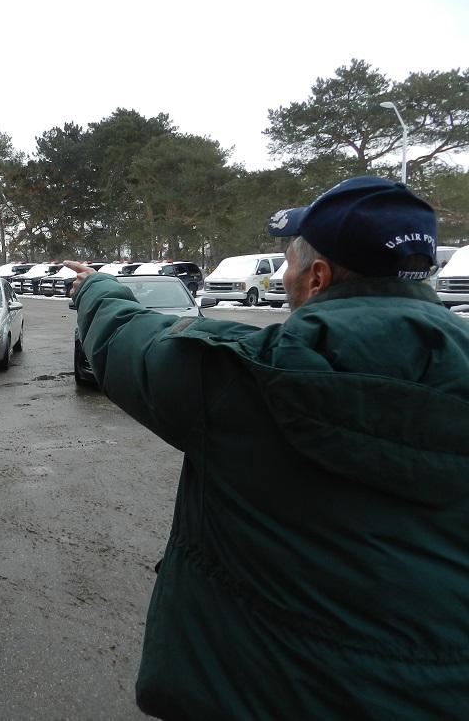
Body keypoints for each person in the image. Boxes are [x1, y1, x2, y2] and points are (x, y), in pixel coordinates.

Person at [65, 176, 469, 719]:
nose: (283, 274)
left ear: (318, 277)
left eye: (290, 261)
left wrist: (95, 288)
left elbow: (125, 341)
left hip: (258, 693)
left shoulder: (248, 376)